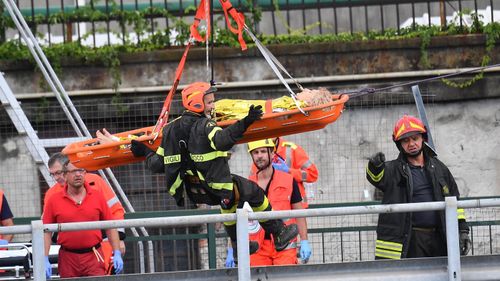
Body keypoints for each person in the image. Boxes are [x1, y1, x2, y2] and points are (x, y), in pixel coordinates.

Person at [130, 81, 298, 263]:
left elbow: (156, 165)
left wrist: (144, 151)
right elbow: (223, 140)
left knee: (229, 203)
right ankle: (279, 233)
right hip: (215, 185)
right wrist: (247, 121)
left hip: (193, 191)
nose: (213, 106)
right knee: (254, 192)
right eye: (209, 102)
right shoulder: (205, 126)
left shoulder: (170, 130)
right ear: (197, 103)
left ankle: (238, 247)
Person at [366, 115, 471, 259]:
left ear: (423, 138)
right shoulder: (392, 170)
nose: (411, 144)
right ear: (399, 144)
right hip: (411, 240)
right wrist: (375, 166)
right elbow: (376, 178)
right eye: (406, 140)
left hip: (439, 237)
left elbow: (455, 202)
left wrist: (463, 230)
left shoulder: (439, 168)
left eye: (415, 138)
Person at [46, 152, 126, 275]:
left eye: (58, 172)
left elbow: (114, 213)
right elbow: (45, 229)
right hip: (68, 255)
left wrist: (118, 246)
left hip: (96, 251)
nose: (57, 177)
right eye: (53, 174)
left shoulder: (97, 187)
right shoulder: (52, 196)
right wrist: (44, 257)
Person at [244, 139, 311, 266]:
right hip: (258, 247)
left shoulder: (288, 180)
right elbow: (238, 218)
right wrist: (232, 248)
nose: (259, 156)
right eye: (255, 152)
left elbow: (299, 213)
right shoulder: (247, 185)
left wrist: (304, 241)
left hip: (285, 244)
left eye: (263, 151)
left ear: (272, 154)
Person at [251, 137, 318, 208]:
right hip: (271, 207)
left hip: (296, 205)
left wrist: (289, 171)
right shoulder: (259, 153)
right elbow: (253, 180)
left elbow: (312, 174)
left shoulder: (291, 149)